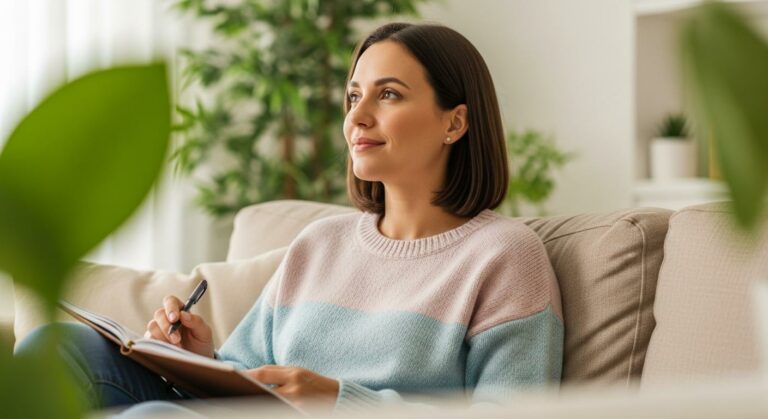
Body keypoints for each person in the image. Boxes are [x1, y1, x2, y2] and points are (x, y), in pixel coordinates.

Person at [17, 22, 564, 416]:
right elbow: (244, 375)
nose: (357, 117)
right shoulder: (321, 242)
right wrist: (198, 357)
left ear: (456, 122)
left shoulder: (504, 254)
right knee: (53, 346)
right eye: (353, 96)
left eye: (389, 95)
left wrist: (340, 400)